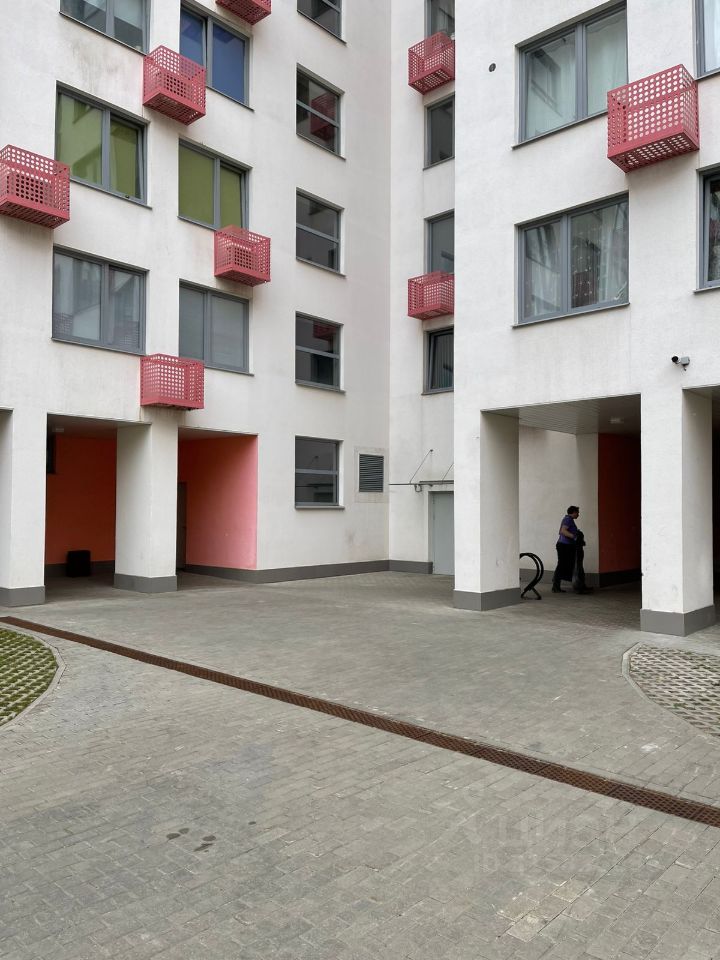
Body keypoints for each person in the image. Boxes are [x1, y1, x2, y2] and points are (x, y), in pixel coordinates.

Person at [552, 506, 580, 593]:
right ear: (573, 512)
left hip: (565, 545)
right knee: (561, 565)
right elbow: (563, 531)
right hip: (564, 545)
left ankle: (556, 585)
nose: (578, 514)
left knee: (563, 565)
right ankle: (555, 586)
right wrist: (574, 537)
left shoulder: (569, 519)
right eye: (577, 513)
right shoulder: (568, 519)